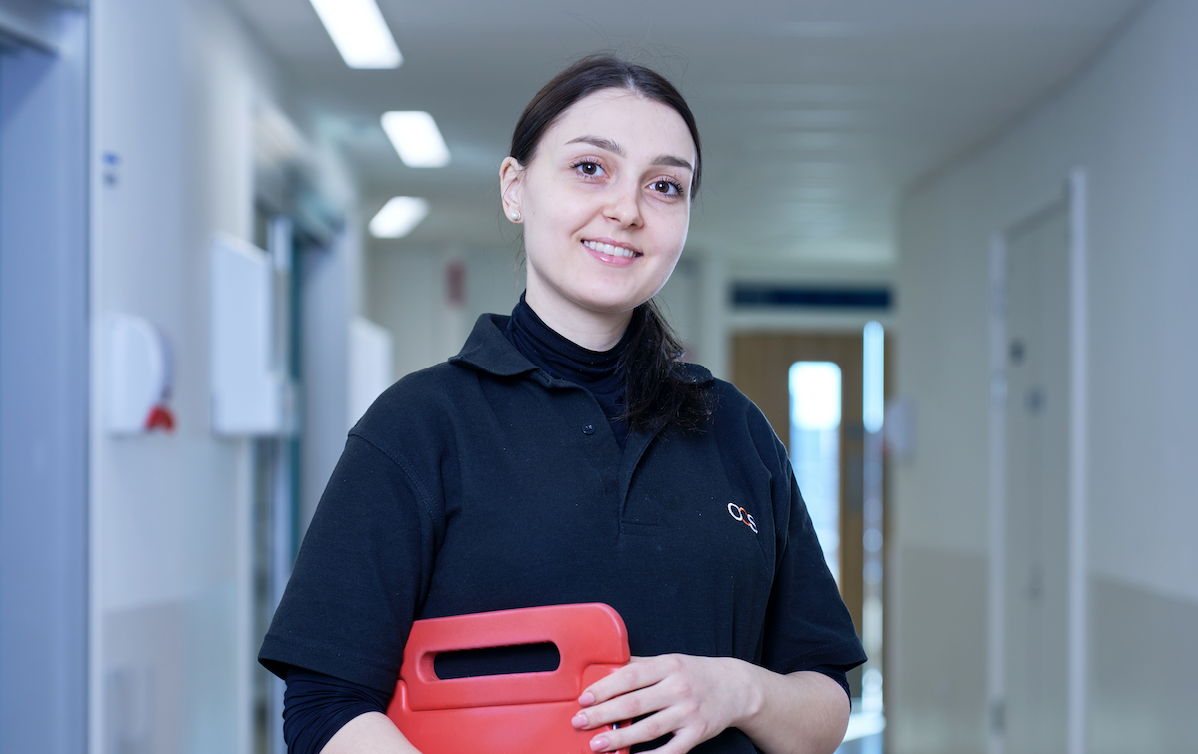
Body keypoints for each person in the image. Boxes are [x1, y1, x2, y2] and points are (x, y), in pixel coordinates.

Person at [259, 54, 866, 754]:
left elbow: (825, 701)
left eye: (665, 185)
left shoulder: (736, 432)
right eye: (590, 169)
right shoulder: (420, 428)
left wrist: (738, 688)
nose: (627, 209)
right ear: (515, 188)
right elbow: (325, 706)